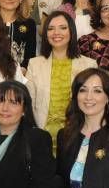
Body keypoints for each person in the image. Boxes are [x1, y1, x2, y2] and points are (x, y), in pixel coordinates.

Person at [26, 11, 97, 151]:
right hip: (42, 138)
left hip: (78, 138)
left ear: (72, 31)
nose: (56, 33)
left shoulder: (89, 65)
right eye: (51, 28)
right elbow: (29, 103)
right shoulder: (35, 64)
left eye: (63, 28)